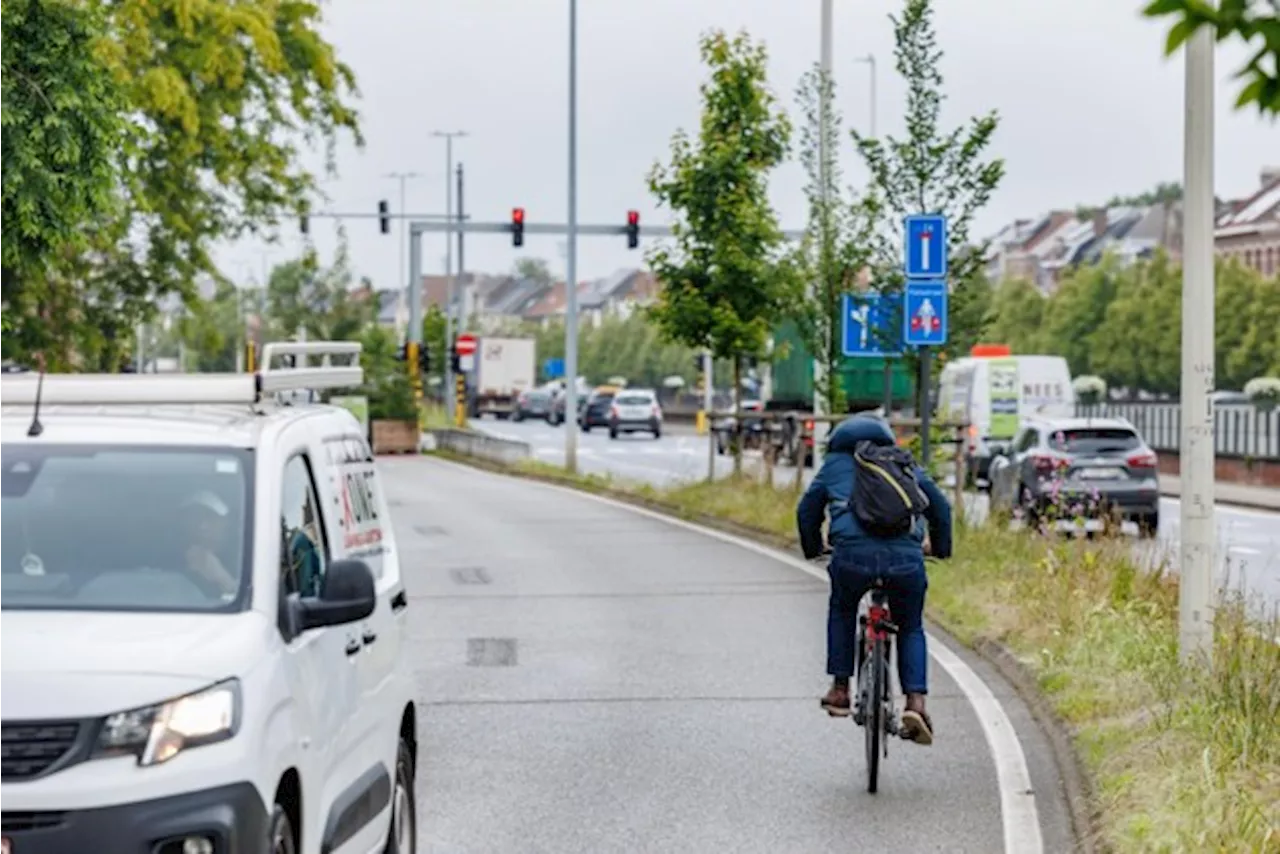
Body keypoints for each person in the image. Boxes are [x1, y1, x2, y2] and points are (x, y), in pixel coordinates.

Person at [796, 413, 952, 745]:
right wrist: (940, 547)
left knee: (842, 608)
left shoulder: (834, 466)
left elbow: (807, 509)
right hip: (905, 560)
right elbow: (940, 507)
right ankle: (916, 703)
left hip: (851, 558)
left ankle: (840, 689)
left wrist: (814, 548)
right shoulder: (902, 463)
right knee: (910, 625)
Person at [180, 490, 240, 600]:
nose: (203, 526)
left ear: (228, 523)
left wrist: (222, 578)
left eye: (211, 517)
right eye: (194, 518)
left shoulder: (249, 561)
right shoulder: (165, 562)